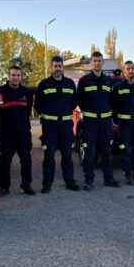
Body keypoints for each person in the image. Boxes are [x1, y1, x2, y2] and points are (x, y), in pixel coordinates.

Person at [35, 56, 81, 193]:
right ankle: (47, 184)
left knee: (67, 155)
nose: (57, 68)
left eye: (59, 66)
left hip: (66, 125)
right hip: (50, 127)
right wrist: (49, 114)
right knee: (49, 156)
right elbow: (37, 104)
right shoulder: (44, 84)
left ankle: (70, 182)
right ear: (52, 67)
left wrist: (65, 112)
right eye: (55, 66)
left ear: (62, 67)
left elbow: (74, 102)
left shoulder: (69, 84)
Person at [77, 51, 120, 191]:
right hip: (90, 122)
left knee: (107, 151)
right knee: (90, 152)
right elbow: (79, 100)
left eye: (99, 60)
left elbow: (112, 100)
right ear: (91, 63)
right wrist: (89, 113)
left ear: (102, 62)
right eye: (94, 61)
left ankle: (109, 179)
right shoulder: (84, 81)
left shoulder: (109, 80)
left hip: (105, 122)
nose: (96, 63)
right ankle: (89, 180)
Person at [0, 65, 35, 196]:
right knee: (5, 161)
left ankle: (26, 186)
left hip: (23, 133)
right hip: (6, 134)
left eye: (18, 75)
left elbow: (28, 110)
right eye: (13, 75)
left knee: (26, 160)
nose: (16, 78)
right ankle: (4, 188)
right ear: (8, 76)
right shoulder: (1, 91)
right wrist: (4, 124)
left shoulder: (26, 92)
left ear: (21, 76)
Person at [111, 60, 134, 185]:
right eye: (128, 69)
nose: (131, 71)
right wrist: (118, 120)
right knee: (126, 150)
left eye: (132, 68)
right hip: (125, 125)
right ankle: (128, 175)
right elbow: (113, 105)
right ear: (124, 71)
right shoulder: (118, 88)